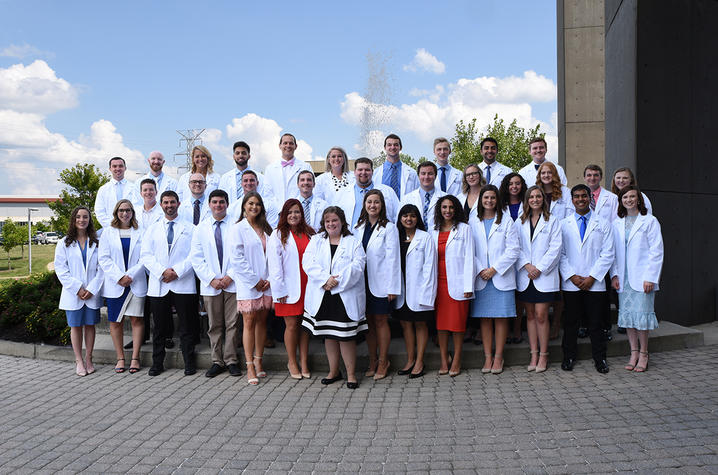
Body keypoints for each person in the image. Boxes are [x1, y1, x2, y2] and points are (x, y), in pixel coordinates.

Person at [301, 207, 367, 389]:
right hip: (323, 295)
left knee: (346, 337)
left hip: (343, 295)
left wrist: (335, 282)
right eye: (327, 221)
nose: (331, 224)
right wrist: (325, 280)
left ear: (342, 222)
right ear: (324, 223)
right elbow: (308, 261)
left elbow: (358, 265)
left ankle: (351, 375)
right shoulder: (316, 240)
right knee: (329, 335)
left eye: (335, 220)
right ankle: (333, 371)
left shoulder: (353, 242)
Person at [141, 190, 199, 377]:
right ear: (161, 205)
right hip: (160, 284)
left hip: (183, 282)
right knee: (159, 328)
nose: (169, 205)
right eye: (165, 202)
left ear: (178, 204)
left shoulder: (190, 229)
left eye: (172, 202)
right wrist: (161, 272)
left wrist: (177, 272)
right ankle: (157, 363)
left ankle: (189, 362)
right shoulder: (153, 229)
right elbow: (146, 255)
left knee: (187, 326)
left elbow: (195, 255)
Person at [559, 184, 615, 374]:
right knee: (571, 323)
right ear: (572, 199)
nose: (580, 199)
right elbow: (561, 254)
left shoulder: (603, 223)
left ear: (590, 198)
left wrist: (592, 277)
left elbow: (608, 254)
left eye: (584, 196)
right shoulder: (563, 224)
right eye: (576, 196)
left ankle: (600, 359)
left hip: (595, 282)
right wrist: (573, 276)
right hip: (571, 282)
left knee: (596, 323)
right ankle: (568, 357)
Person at [610, 186, 663, 372]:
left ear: (639, 199)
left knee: (641, 318)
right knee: (629, 319)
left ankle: (644, 353)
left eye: (632, 196)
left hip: (642, 279)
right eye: (625, 197)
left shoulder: (650, 221)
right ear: (621, 200)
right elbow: (613, 253)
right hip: (623, 279)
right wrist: (614, 275)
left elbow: (656, 252)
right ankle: (633, 352)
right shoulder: (617, 223)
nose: (629, 199)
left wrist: (651, 277)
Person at [190, 189, 242, 378]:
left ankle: (231, 360)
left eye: (222, 202)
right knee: (214, 325)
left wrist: (230, 276)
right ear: (209, 205)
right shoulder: (201, 228)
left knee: (232, 324)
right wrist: (211, 278)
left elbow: (240, 254)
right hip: (211, 284)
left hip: (232, 283)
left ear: (227, 204)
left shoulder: (237, 226)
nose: (218, 205)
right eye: (215, 202)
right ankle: (216, 361)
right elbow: (196, 258)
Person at [469, 185, 520, 375]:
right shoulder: (472, 221)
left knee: (500, 319)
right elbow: (469, 249)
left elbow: (513, 250)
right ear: (480, 200)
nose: (489, 201)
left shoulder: (506, 221)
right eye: (486, 198)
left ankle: (498, 356)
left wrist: (494, 269)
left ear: (497, 200)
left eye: (492, 198)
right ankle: (487, 357)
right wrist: (482, 269)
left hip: (500, 277)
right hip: (481, 277)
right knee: (485, 319)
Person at [354, 190, 400, 380]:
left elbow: (393, 258)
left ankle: (383, 361)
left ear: (382, 206)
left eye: (376, 202)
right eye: (369, 202)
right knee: (368, 323)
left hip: (381, 282)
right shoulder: (358, 227)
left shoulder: (389, 228)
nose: (372, 205)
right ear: (364, 204)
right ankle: (372, 360)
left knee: (380, 321)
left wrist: (392, 287)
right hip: (361, 282)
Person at [267, 199, 316, 379]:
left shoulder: (310, 233)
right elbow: (274, 266)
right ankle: (292, 361)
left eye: (297, 212)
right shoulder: (278, 234)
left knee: (305, 326)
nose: (294, 216)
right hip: (288, 288)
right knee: (292, 325)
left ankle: (304, 362)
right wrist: (278, 291)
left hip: (308, 286)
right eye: (290, 213)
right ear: (284, 215)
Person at [515, 186, 562, 373]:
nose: (535, 199)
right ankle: (533, 354)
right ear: (526, 200)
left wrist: (539, 268)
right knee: (531, 315)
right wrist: (527, 265)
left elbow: (556, 248)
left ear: (544, 199)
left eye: (538, 196)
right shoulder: (519, 222)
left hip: (544, 275)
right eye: (531, 197)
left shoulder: (553, 221)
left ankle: (544, 355)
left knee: (542, 315)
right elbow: (515, 247)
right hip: (526, 275)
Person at [98, 199, 147, 374]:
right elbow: (103, 258)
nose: (124, 213)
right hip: (115, 284)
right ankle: (120, 358)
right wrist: (119, 277)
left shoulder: (141, 231)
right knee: (115, 321)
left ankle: (135, 357)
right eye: (121, 210)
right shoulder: (108, 233)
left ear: (133, 212)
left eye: (128, 210)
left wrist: (130, 275)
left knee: (136, 320)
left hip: (136, 283)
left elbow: (145, 257)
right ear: (116, 213)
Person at [54, 206, 103, 376]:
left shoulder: (96, 242)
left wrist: (91, 288)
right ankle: (79, 361)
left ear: (90, 220)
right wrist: (77, 288)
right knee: (75, 327)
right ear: (73, 220)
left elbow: (101, 268)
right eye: (78, 217)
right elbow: (60, 269)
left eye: (85, 217)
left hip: (91, 292)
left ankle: (89, 358)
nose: (82, 220)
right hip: (73, 293)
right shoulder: (64, 242)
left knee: (90, 326)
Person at [229, 191, 273, 385]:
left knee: (263, 321)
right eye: (250, 204)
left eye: (257, 204)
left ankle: (259, 360)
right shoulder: (238, 228)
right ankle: (248, 365)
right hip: (249, 283)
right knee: (248, 322)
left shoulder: (267, 228)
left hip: (267, 283)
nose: (254, 207)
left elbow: (275, 254)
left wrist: (270, 278)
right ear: (244, 207)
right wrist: (255, 280)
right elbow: (237, 258)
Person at [432, 195, 474, 377]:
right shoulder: (433, 230)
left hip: (457, 283)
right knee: (441, 326)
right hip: (438, 284)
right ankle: (444, 359)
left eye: (450, 207)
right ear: (439, 210)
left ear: (456, 209)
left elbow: (470, 258)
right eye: (444, 207)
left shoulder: (464, 229)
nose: (447, 211)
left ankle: (457, 359)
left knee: (457, 325)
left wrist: (468, 285)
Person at [393, 204, 437, 379]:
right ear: (400, 218)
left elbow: (430, 267)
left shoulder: (425, 238)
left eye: (412, 216)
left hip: (419, 290)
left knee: (420, 324)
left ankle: (419, 361)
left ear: (417, 218)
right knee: (405, 324)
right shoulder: (396, 236)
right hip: (402, 290)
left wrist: (426, 292)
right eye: (405, 216)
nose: (408, 219)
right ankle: (410, 360)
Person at [335, 157, 399, 227]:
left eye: (367, 170)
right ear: (354, 172)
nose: (363, 172)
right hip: (351, 235)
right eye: (360, 170)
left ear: (372, 172)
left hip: (379, 235)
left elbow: (397, 216)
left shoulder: (388, 191)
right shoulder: (342, 193)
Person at [264, 133, 312, 203]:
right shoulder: (270, 169)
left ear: (296, 146)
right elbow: (268, 193)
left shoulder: (306, 166)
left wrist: (296, 207)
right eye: (285, 143)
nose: (288, 146)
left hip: (299, 209)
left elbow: (310, 189)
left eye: (291, 143)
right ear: (280, 146)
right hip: (277, 211)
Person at [400, 161, 447, 231]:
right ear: (418, 175)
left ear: (436, 176)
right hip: (414, 239)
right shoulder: (407, 199)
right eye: (423, 173)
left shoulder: (446, 198)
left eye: (430, 174)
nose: (426, 177)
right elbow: (399, 223)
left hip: (439, 238)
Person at [219, 141, 270, 205]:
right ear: (234, 156)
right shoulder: (225, 177)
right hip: (231, 213)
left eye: (243, 153)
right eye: (237, 153)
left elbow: (265, 198)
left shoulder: (261, 178)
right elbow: (220, 198)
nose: (240, 155)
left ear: (249, 156)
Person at [372, 134, 419, 199]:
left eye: (396, 145)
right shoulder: (375, 173)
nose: (393, 147)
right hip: (383, 208)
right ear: (385, 148)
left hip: (404, 208)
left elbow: (417, 195)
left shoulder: (412, 173)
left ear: (400, 148)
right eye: (389, 145)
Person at [95, 156, 136, 228]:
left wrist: (131, 225)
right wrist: (111, 226)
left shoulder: (134, 188)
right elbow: (99, 212)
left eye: (120, 166)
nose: (118, 169)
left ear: (125, 168)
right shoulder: (103, 189)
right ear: (110, 169)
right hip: (110, 228)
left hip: (131, 227)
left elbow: (138, 208)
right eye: (114, 166)